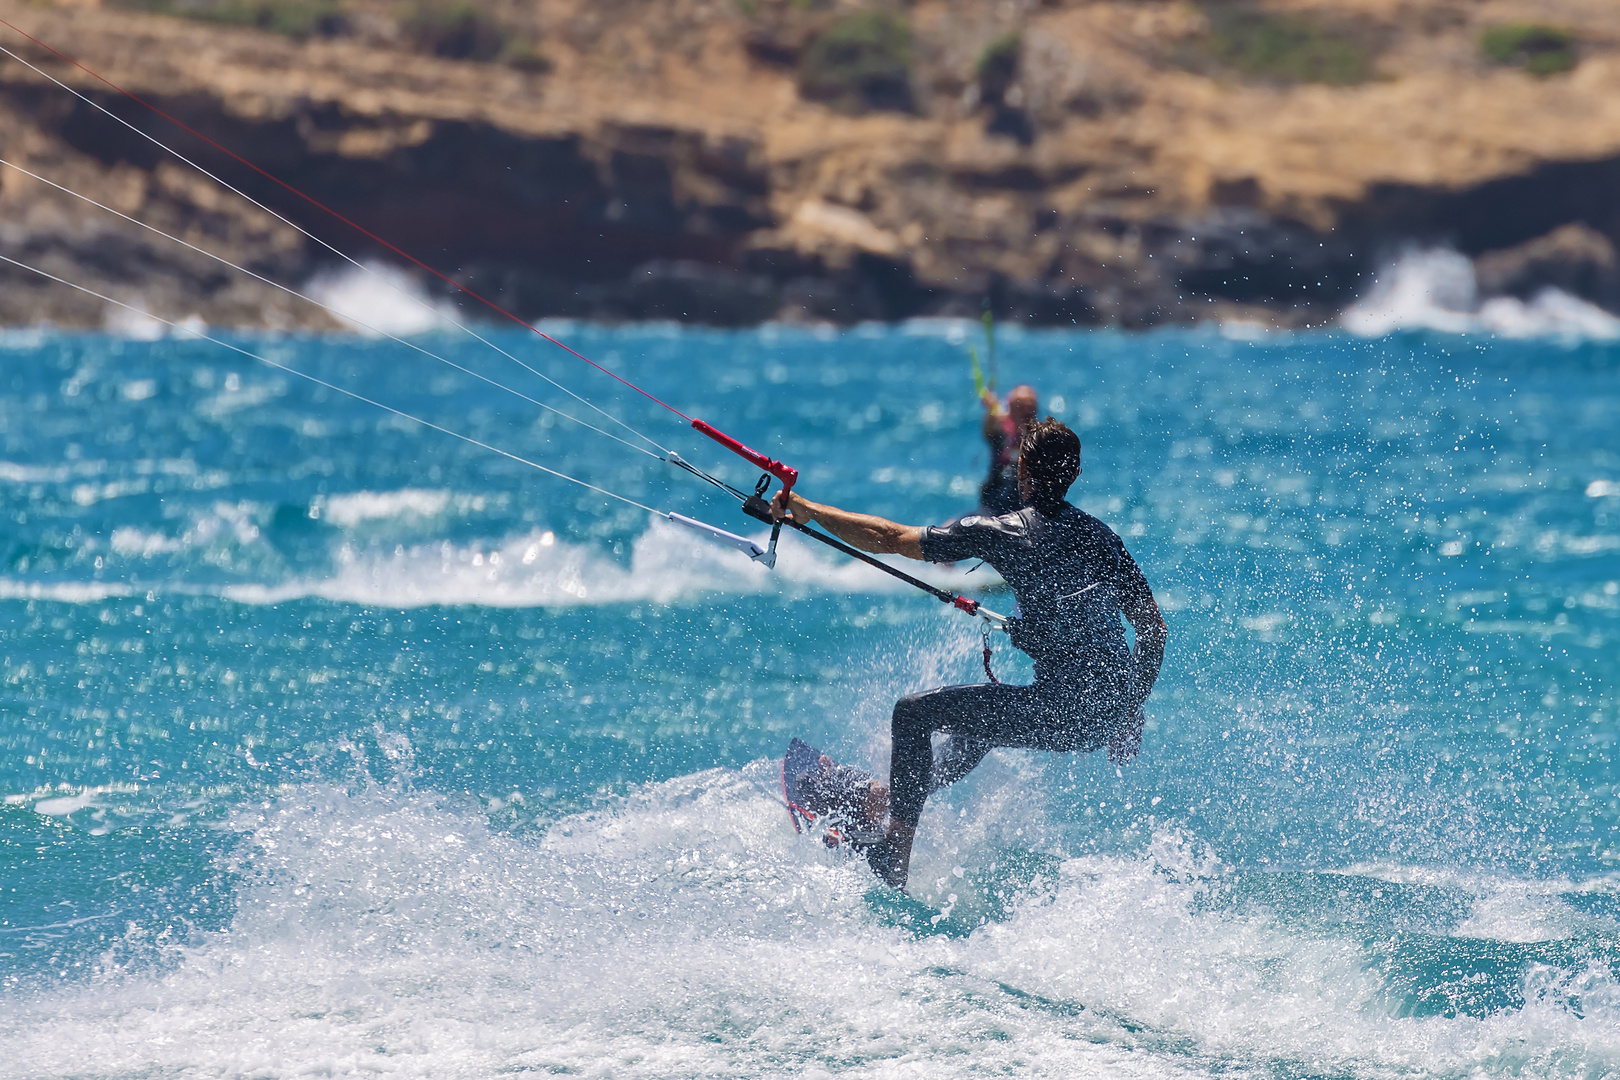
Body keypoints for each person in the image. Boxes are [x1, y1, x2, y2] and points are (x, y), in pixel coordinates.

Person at [772, 417, 1166, 889]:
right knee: (978, 727)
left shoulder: (1000, 531)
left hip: (1060, 710)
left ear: (1022, 472)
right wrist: (1128, 708)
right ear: (1074, 474)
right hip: (1101, 716)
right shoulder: (1102, 538)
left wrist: (808, 510)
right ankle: (883, 798)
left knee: (914, 714)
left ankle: (894, 850)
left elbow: (891, 539)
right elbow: (1152, 629)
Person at [979, 384, 1040, 515]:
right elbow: (990, 429)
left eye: (1030, 406)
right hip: (994, 505)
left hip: (1026, 510)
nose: (1027, 410)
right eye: (1021, 406)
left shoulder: (1040, 438)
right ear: (1012, 409)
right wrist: (991, 409)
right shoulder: (1001, 433)